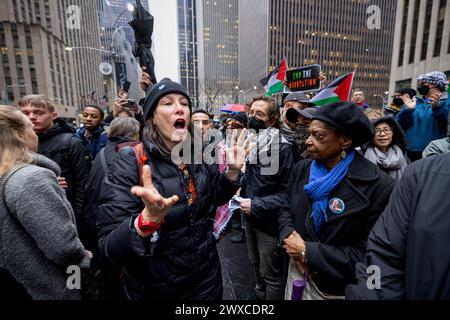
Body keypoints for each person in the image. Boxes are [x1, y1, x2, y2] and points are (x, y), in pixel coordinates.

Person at [97, 78, 249, 300]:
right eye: (167, 103)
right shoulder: (131, 160)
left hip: (206, 280)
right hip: (156, 288)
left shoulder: (199, 154)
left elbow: (216, 197)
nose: (179, 108)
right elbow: (108, 247)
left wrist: (232, 173)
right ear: (153, 118)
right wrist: (145, 221)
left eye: (184, 103)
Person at [278, 102, 395, 300]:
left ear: (345, 141)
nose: (308, 141)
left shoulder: (380, 186)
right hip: (295, 271)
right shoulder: (302, 168)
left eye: (318, 136)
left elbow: (371, 254)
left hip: (334, 288)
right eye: (309, 133)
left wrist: (310, 252)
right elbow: (284, 206)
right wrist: (288, 234)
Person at [0, 105, 91, 300]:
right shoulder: (30, 178)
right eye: (29, 127)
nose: (35, 132)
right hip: (49, 289)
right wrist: (83, 256)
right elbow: (62, 248)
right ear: (20, 135)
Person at [346, 152, 450, 299]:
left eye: (386, 130)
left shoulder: (400, 171)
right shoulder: (420, 175)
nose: (309, 141)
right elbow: (381, 255)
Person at [241, 96, 294, 300]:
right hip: (249, 216)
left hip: (269, 222)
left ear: (272, 120)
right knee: (254, 262)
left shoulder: (283, 148)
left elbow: (287, 194)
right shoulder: (252, 141)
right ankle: (258, 293)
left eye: (259, 114)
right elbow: (253, 177)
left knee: (269, 272)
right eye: (251, 112)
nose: (253, 117)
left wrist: (256, 204)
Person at [19, 94, 91, 232]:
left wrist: (75, 221)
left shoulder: (71, 143)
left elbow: (84, 185)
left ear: (53, 115)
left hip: (66, 217)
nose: (32, 117)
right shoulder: (16, 143)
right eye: (25, 113)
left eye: (39, 113)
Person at [396, 71, 449, 162]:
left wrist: (437, 108)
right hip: (409, 153)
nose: (420, 86)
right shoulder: (413, 102)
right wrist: (408, 110)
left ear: (434, 84)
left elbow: (446, 124)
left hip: (434, 153)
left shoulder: (446, 103)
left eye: (423, 83)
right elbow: (398, 125)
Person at [280, 92, 316, 161]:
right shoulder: (271, 127)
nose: (304, 112)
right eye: (301, 108)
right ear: (287, 106)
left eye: (305, 122)